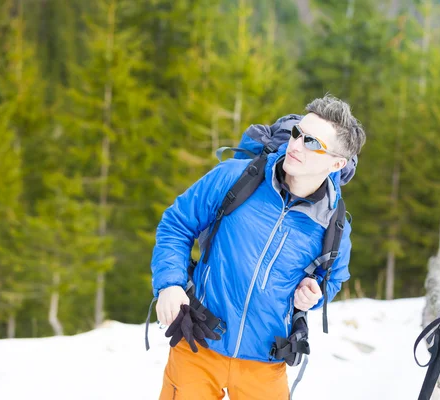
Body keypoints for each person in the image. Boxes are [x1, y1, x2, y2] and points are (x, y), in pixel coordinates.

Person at [150, 95, 366, 399]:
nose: (296, 145)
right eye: (297, 133)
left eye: (311, 142)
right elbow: (177, 224)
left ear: (337, 163)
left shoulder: (334, 226)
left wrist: (313, 294)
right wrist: (170, 284)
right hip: (198, 344)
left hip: (265, 362)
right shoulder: (236, 178)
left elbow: (331, 280)